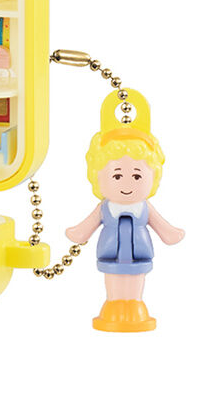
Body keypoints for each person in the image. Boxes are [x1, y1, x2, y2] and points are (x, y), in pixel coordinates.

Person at [66, 92, 184, 332]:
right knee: (112, 277)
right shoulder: (104, 208)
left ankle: (135, 303)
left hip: (140, 252)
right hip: (110, 252)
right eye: (117, 176)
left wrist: (170, 233)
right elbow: (89, 223)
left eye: (137, 176)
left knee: (136, 277)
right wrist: (79, 233)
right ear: (98, 176)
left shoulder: (145, 207)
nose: (127, 184)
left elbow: (161, 224)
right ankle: (113, 303)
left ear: (153, 177)